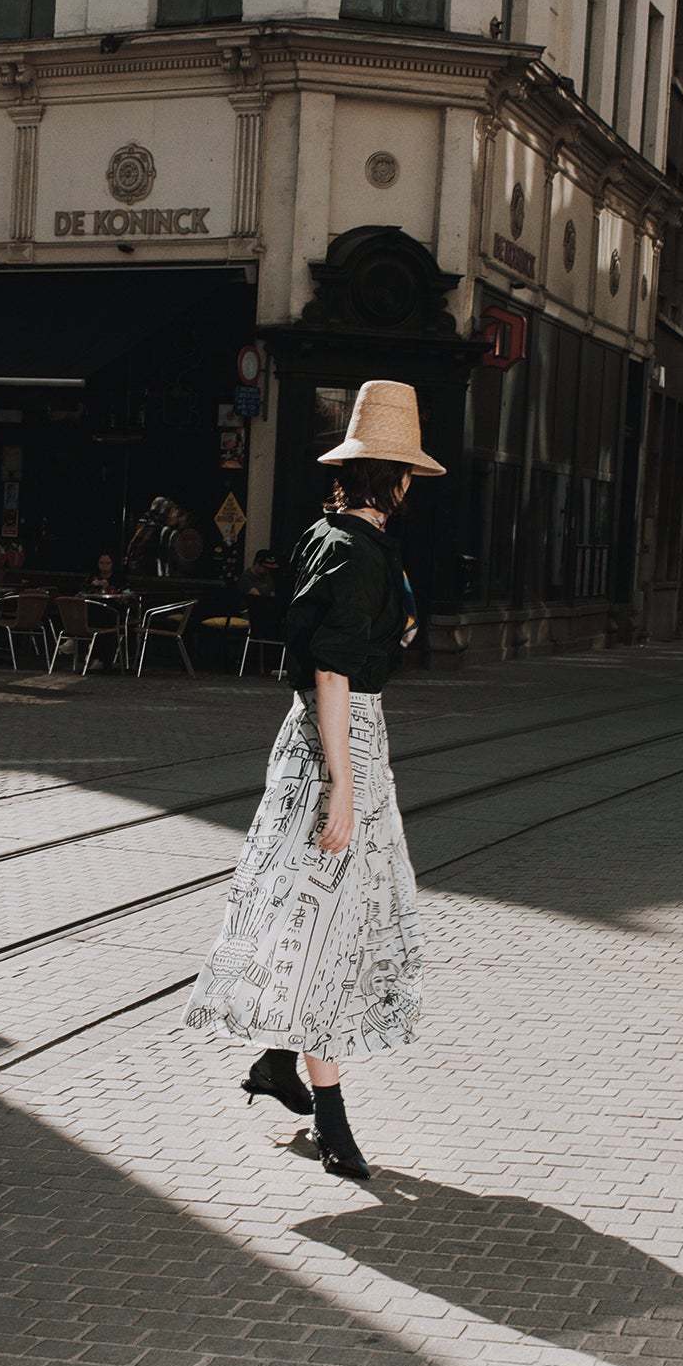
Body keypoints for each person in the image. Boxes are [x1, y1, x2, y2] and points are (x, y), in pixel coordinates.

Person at [185, 379, 436, 1180]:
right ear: (394, 478)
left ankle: (277, 1064)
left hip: (338, 743)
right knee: (334, 930)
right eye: (408, 477)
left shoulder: (336, 537)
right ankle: (332, 1120)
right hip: (340, 745)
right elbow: (331, 673)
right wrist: (345, 787)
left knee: (320, 916)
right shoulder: (355, 553)